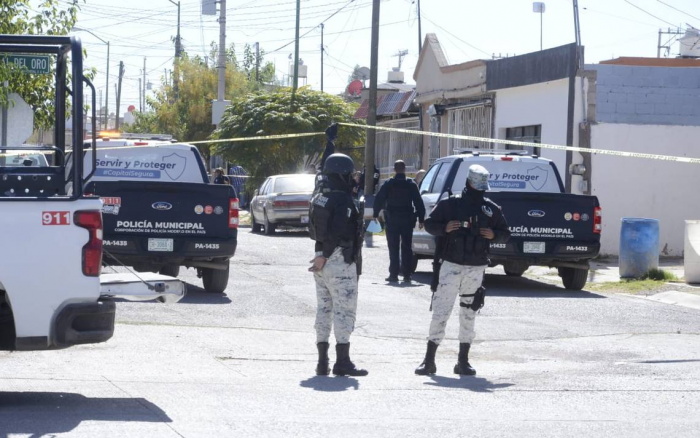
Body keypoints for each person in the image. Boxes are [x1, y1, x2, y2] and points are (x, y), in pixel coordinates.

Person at [415, 164, 510, 376]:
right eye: (478, 186)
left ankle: (463, 362)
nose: (480, 191)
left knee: (469, 312)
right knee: (441, 311)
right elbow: (430, 224)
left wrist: (494, 235)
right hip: (451, 264)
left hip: (476, 267)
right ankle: (429, 361)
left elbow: (506, 233)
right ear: (469, 183)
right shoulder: (450, 204)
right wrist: (445, 228)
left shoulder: (490, 209)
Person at [308, 152, 368, 377]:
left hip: (321, 258)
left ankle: (322, 362)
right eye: (350, 174)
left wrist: (320, 255)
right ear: (342, 174)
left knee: (324, 309)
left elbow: (319, 230)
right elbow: (337, 230)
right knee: (344, 311)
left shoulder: (320, 195)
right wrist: (325, 254)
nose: (353, 178)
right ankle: (342, 362)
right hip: (338, 258)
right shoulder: (342, 199)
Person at [373, 160, 426, 283]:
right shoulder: (411, 184)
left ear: (394, 170)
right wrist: (421, 219)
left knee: (393, 247)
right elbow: (418, 202)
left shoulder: (389, 183)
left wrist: (375, 214)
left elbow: (379, 199)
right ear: (405, 169)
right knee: (407, 247)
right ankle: (407, 275)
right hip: (407, 220)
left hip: (392, 220)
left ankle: (393, 274)